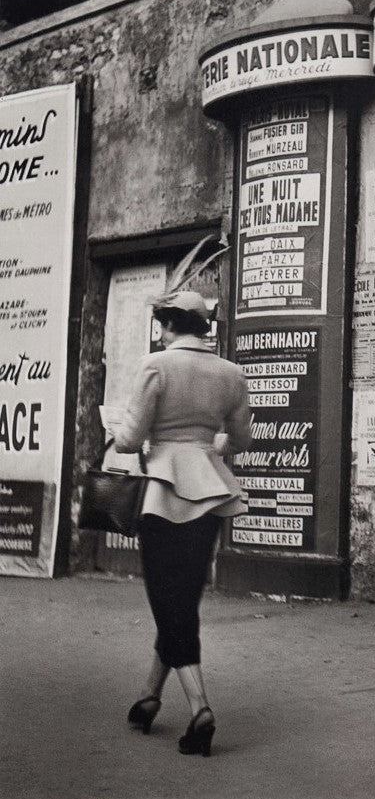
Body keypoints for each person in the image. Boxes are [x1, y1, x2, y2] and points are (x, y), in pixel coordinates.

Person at [113, 290, 251, 757]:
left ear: (168, 325)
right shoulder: (231, 373)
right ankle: (150, 696)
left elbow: (131, 440)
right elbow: (241, 439)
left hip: (163, 495)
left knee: (167, 601)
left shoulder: (157, 366)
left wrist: (116, 430)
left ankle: (199, 707)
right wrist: (208, 448)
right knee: (181, 602)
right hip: (210, 495)